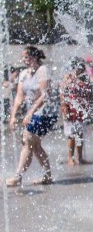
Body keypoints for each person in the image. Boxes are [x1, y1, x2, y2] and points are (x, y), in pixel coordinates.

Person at [6, 46, 55, 186]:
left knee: (27, 140)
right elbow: (19, 96)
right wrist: (13, 116)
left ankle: (18, 177)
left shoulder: (43, 70)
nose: (23, 60)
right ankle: (47, 176)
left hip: (46, 112)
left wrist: (30, 113)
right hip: (33, 113)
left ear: (34, 57)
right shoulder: (23, 74)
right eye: (23, 57)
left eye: (26, 57)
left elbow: (45, 95)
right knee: (35, 145)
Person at [59, 57, 93, 165]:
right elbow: (62, 93)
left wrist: (91, 107)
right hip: (70, 108)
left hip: (81, 109)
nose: (82, 69)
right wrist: (64, 107)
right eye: (79, 67)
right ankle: (70, 158)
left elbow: (90, 93)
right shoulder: (68, 77)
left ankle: (80, 158)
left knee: (79, 134)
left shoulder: (85, 78)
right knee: (71, 134)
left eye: (82, 67)